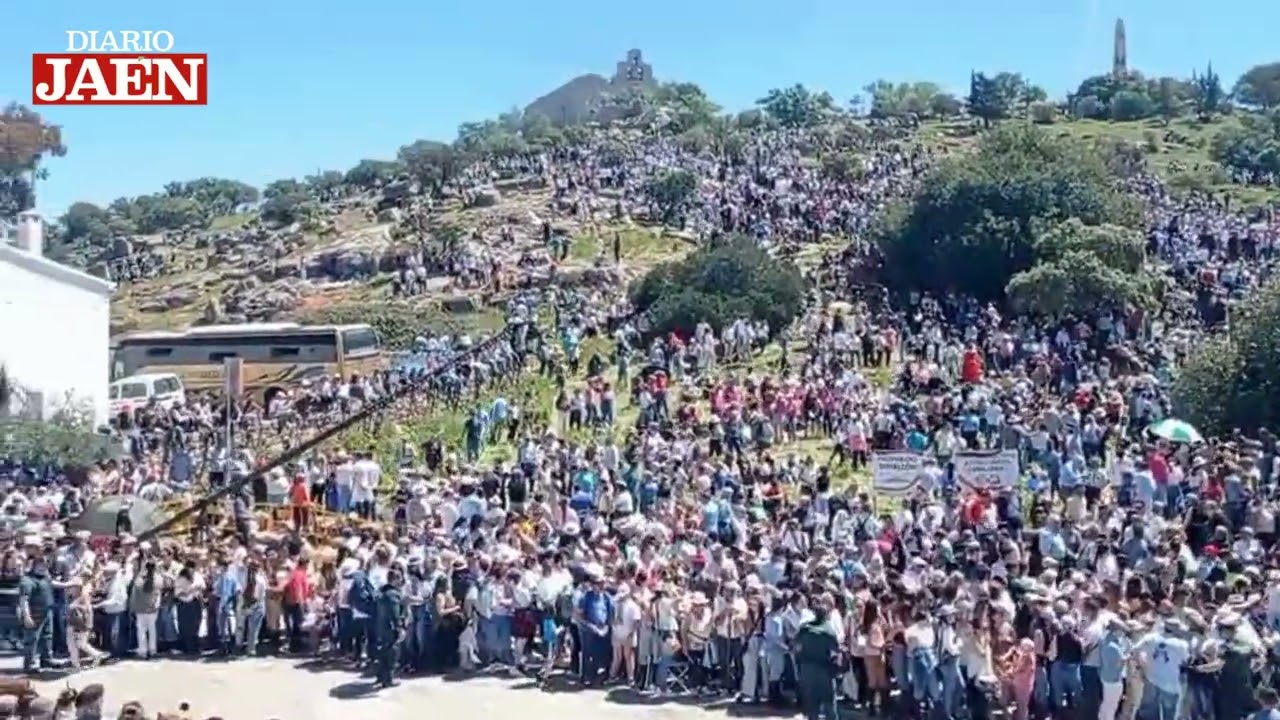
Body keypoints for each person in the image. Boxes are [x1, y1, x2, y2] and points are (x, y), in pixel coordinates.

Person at [794, 604, 840, 720]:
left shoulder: (805, 628)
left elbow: (797, 648)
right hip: (824, 671)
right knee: (829, 703)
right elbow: (835, 652)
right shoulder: (829, 631)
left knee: (811, 703)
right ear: (826, 616)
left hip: (807, 671)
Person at [16, 548, 54, 673]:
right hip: (34, 613)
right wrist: (27, 616)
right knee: (32, 640)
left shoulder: (45, 577)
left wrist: (70, 583)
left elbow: (54, 584)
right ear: (34, 565)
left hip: (47, 612)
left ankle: (46, 660)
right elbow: (24, 599)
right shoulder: (27, 580)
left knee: (47, 636)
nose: (44, 567)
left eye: (45, 564)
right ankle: (29, 665)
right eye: (41, 564)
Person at [374, 567, 405, 689]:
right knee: (392, 652)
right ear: (395, 579)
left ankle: (381, 676)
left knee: (383, 652)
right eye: (399, 578)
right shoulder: (393, 594)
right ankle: (389, 678)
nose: (401, 581)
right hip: (390, 627)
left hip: (380, 625)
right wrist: (399, 627)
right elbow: (395, 613)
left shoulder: (381, 592)